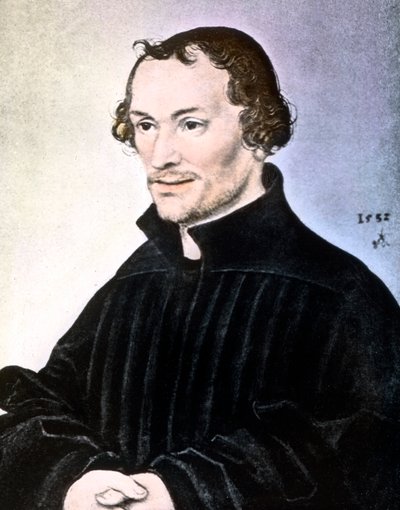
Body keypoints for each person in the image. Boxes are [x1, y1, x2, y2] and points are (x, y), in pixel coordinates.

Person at [0, 26, 399, 510]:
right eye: (146, 125)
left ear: (258, 133)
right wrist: (78, 480)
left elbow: (365, 458)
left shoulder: (339, 294)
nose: (160, 156)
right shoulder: (133, 282)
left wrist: (179, 492)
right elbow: (37, 406)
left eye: (190, 124)